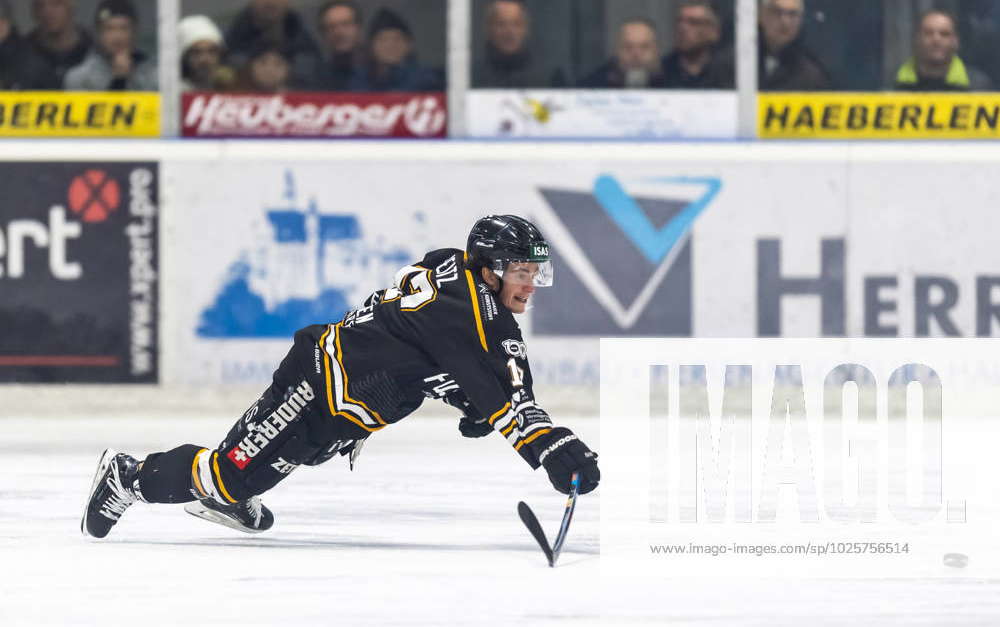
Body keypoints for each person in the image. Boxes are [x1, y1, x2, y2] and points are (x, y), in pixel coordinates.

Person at [82, 215, 600, 539]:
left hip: (345, 400)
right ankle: (129, 475)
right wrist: (554, 449)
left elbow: (419, 348)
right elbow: (512, 398)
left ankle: (232, 487)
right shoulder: (474, 316)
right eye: (521, 272)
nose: (531, 285)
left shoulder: (451, 269)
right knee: (228, 474)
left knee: (288, 458)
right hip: (315, 387)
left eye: (535, 274)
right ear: (489, 268)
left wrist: (465, 393)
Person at [63, 0, 156, 91]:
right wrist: (119, 80)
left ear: (134, 32)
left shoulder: (153, 74)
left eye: (124, 28)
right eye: (109, 29)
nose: (117, 37)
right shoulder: (80, 78)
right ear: (99, 33)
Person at [225, 0, 320, 90]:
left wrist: (291, 76)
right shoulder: (232, 39)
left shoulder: (305, 39)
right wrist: (247, 72)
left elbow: (318, 78)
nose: (270, 2)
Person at [893, 9, 992, 92]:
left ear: (955, 42)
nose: (936, 40)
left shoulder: (978, 86)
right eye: (928, 33)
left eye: (944, 34)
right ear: (916, 39)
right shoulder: (894, 84)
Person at [472, 0, 565, 88]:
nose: (509, 32)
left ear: (526, 29)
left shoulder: (547, 76)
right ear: (489, 29)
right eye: (501, 24)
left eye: (516, 24)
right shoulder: (472, 76)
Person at [349, 8, 443, 92]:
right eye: (382, 39)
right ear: (371, 46)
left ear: (409, 45)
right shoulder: (357, 82)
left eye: (397, 39)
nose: (390, 46)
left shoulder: (427, 81)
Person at [757, 0, 830, 91]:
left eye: (792, 14)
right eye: (777, 12)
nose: (785, 22)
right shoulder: (738, 62)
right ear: (761, 15)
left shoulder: (810, 76)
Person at [18, 0, 92, 89]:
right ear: (33, 12)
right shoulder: (21, 52)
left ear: (71, 6)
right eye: (40, 5)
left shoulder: (93, 48)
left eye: (56, 4)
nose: (47, 11)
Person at [662, 0, 733, 89]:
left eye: (693, 22)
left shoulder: (729, 74)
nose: (683, 28)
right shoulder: (662, 72)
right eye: (679, 21)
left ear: (714, 32)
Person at [579, 18, 666, 88]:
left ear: (656, 51)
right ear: (617, 51)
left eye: (644, 47)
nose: (636, 54)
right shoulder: (593, 87)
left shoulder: (672, 85)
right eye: (628, 47)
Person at [312, 0, 364, 91]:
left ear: (359, 28)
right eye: (331, 27)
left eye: (346, 24)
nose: (339, 32)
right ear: (323, 34)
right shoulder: (315, 78)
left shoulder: (378, 73)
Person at [179, 14, 235, 92]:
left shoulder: (232, 93)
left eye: (211, 51)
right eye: (196, 52)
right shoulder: (173, 95)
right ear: (185, 58)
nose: (205, 59)